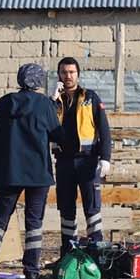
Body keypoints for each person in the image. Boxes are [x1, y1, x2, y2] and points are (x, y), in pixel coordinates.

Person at [0, 63, 59, 279]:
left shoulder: (3, 104)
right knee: (34, 223)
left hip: (9, 172)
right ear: (39, 82)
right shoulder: (44, 105)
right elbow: (57, 135)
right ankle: (31, 273)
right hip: (38, 173)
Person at [51, 57, 113, 249]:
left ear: (78, 74)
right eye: (64, 72)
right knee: (66, 208)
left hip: (88, 161)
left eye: (71, 72)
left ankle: (96, 249)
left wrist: (105, 158)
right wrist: (52, 101)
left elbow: (104, 130)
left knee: (92, 207)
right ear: (59, 75)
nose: (68, 76)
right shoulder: (54, 101)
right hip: (64, 162)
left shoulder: (90, 98)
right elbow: (45, 125)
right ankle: (68, 251)